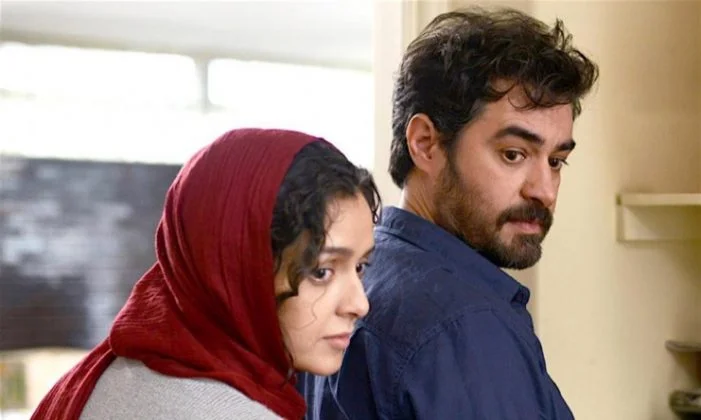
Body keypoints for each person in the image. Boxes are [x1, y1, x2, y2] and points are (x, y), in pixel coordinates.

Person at [299, 7, 599, 420]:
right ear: (426, 143)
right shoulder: (462, 324)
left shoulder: (362, 275)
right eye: (513, 154)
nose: (544, 191)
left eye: (556, 161)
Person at [30, 128, 381, 420]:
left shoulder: (107, 376)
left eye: (360, 267)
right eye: (321, 271)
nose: (359, 304)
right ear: (237, 271)